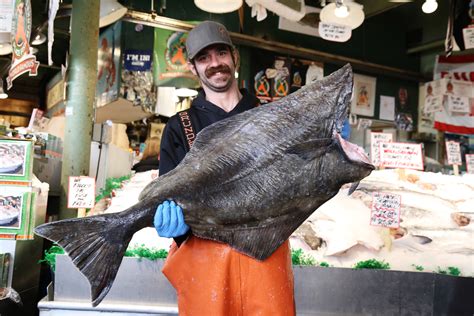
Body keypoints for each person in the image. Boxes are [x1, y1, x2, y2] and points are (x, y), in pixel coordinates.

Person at [154, 21, 296, 315]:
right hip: (206, 265)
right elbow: (167, 196)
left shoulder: (272, 117)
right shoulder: (179, 127)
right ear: (193, 68)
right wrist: (176, 229)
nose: (215, 64)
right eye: (204, 58)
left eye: (221, 53)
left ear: (234, 57)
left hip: (265, 260)